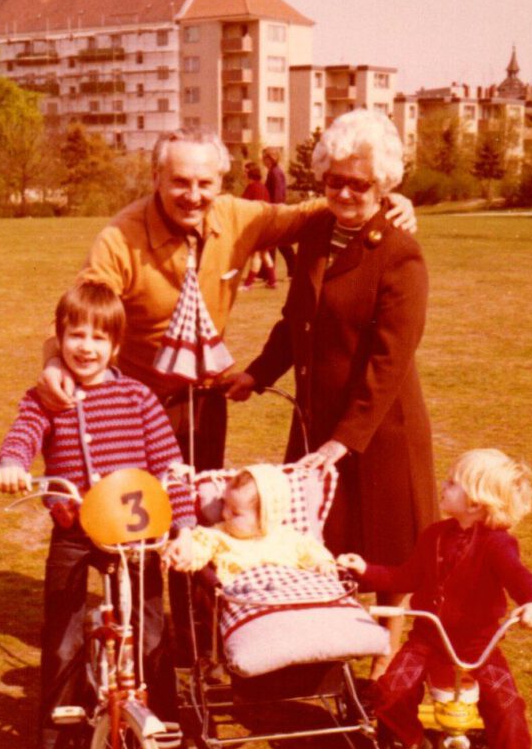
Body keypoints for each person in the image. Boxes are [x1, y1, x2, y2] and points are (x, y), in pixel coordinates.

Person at [36, 127, 416, 471]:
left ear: (220, 182)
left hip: (206, 402)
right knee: (140, 516)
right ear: (156, 179)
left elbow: (313, 212)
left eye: (205, 183)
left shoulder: (237, 217)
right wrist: (55, 361)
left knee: (198, 512)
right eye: (180, 183)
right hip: (139, 401)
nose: (194, 196)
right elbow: (81, 311)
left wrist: (388, 198)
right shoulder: (120, 237)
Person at [226, 111, 438, 678]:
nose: (344, 192)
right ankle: (325, 649)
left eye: (359, 183)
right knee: (319, 540)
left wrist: (347, 439)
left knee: (386, 552)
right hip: (315, 421)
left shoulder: (400, 254)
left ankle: (384, 665)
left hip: (379, 429)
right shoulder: (317, 233)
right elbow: (299, 318)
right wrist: (258, 373)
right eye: (334, 181)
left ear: (384, 185)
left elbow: (391, 360)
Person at [0, 282, 195, 749]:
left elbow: (171, 468)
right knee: (62, 635)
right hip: (75, 529)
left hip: (136, 532)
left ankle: (163, 733)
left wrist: (186, 525)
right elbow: (23, 432)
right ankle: (56, 741)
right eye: (74, 334)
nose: (85, 346)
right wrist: (14, 463)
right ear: (59, 339)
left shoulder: (137, 396)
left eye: (97, 338)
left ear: (116, 346)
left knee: (150, 632)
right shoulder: (49, 396)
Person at [338, 448, 532, 749]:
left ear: (476, 501)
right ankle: (409, 746)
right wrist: (365, 571)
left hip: (477, 646)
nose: (443, 485)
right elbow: (406, 578)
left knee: (507, 706)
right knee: (390, 691)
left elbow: (519, 577)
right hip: (428, 638)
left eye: (453, 483)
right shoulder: (435, 535)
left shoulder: (497, 543)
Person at [170, 464, 335, 584]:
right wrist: (185, 555)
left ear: (264, 517)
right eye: (225, 504)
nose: (224, 514)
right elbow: (199, 548)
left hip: (289, 595)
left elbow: (313, 551)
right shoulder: (218, 536)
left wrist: (322, 564)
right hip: (248, 601)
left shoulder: (287, 537)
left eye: (235, 513)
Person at [241, 163, 277, 290]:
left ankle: (248, 284)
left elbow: (243, 205)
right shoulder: (263, 187)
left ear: (249, 173)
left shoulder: (251, 187)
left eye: (245, 171)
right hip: (266, 224)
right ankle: (273, 281)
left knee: (256, 255)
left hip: (257, 225)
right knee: (264, 254)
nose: (243, 173)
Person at [262, 148, 296, 279]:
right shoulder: (275, 171)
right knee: (280, 243)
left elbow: (277, 193)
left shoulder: (275, 173)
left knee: (277, 242)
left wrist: (274, 211)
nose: (262, 160)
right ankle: (291, 269)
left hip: (276, 210)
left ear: (271, 158)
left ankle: (269, 272)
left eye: (264, 157)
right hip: (278, 209)